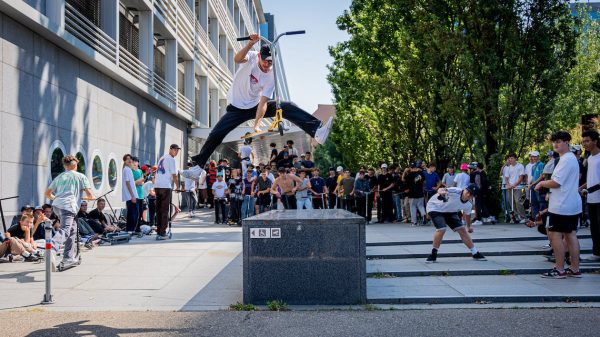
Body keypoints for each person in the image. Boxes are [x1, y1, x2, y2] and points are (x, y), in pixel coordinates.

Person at [183, 36, 333, 179]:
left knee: (288, 107)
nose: (267, 65)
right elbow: (237, 59)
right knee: (216, 134)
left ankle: (316, 131)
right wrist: (249, 43)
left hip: (256, 105)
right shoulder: (252, 57)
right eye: (265, 61)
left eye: (270, 62)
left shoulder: (271, 76)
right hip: (236, 108)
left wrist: (257, 124)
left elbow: (263, 103)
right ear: (259, 56)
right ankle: (197, 167)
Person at [535, 131, 582, 278]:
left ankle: (559, 269)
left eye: (559, 141)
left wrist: (541, 183)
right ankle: (574, 269)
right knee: (571, 236)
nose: (556, 144)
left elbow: (556, 182)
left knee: (555, 235)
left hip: (562, 205)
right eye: (554, 142)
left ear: (567, 142)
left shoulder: (566, 160)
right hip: (571, 203)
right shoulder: (570, 158)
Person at [44, 155, 95, 270]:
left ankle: (68, 257)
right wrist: (88, 198)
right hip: (69, 206)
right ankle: (51, 248)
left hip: (57, 206)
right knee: (66, 229)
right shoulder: (81, 176)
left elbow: (47, 194)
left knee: (72, 229)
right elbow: (90, 195)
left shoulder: (59, 177)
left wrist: (58, 198)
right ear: (75, 165)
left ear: (64, 166)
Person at [425, 184, 486, 263]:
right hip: (435, 207)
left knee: (462, 230)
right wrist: (441, 192)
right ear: (465, 189)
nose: (468, 194)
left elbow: (467, 215)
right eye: (468, 192)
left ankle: (475, 253)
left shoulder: (469, 204)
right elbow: (440, 189)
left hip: (450, 211)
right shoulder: (455, 191)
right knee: (442, 228)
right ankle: (433, 254)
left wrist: (468, 226)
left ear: (473, 197)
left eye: (471, 194)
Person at [154, 144, 180, 240]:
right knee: (164, 210)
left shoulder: (162, 157)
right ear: (170, 149)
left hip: (157, 186)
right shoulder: (171, 159)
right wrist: (178, 186)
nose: (176, 152)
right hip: (165, 186)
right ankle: (162, 233)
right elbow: (174, 175)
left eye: (177, 150)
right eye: (175, 150)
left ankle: (159, 231)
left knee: (159, 210)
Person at [581, 130, 600, 262]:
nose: (585, 144)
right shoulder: (589, 158)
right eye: (583, 142)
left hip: (598, 197)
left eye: (587, 141)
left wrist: (591, 189)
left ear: (595, 141)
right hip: (591, 198)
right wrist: (581, 188)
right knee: (594, 227)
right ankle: (596, 253)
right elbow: (591, 178)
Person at [504, 153, 526, 223]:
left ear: (516, 159)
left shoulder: (520, 166)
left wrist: (514, 185)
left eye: (512, 158)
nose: (510, 160)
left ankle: (523, 217)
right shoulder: (508, 167)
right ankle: (516, 217)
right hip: (510, 187)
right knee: (512, 202)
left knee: (518, 201)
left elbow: (521, 177)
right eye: (509, 158)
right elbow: (506, 178)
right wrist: (508, 185)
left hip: (518, 187)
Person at [121, 154, 138, 233]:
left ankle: (130, 230)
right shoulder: (127, 169)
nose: (129, 160)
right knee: (133, 214)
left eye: (130, 158)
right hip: (130, 196)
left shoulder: (127, 169)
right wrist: (132, 196)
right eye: (127, 159)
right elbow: (128, 183)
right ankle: (130, 230)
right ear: (124, 161)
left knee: (132, 213)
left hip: (130, 196)